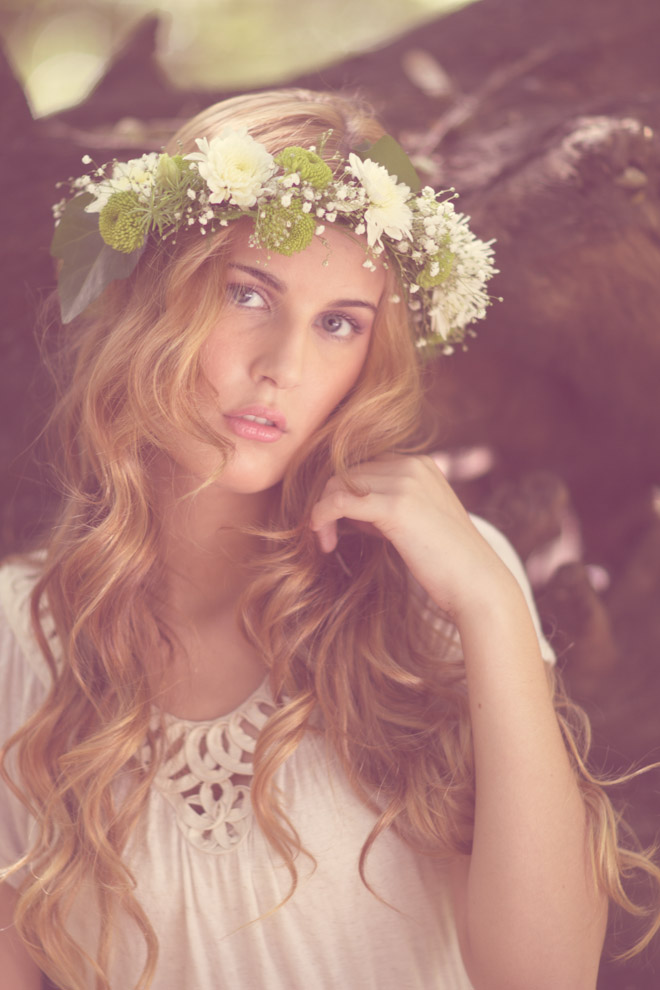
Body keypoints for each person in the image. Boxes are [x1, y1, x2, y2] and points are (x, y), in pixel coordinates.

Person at [0, 88, 657, 990]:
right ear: (152, 295)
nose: (285, 367)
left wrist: (492, 606)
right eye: (246, 293)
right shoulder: (15, 638)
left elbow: (547, 978)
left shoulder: (443, 593)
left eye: (340, 322)